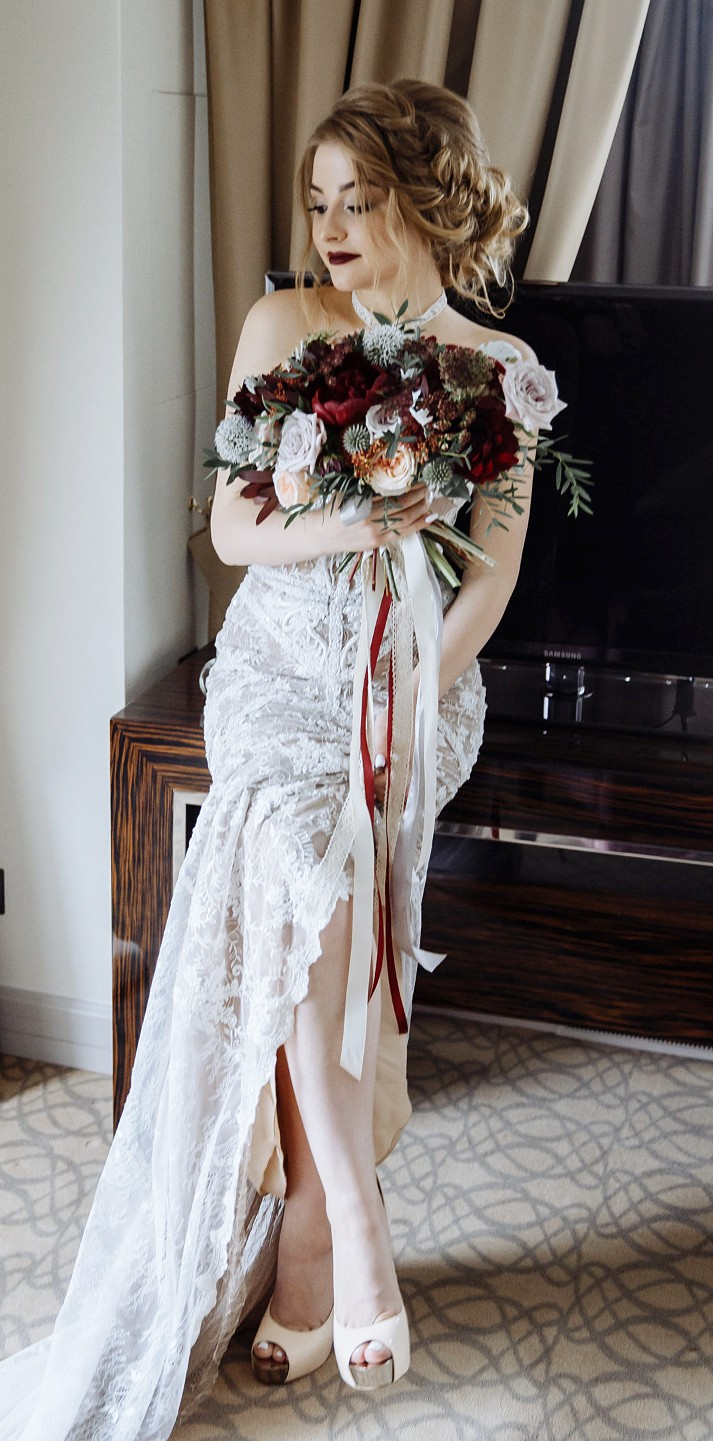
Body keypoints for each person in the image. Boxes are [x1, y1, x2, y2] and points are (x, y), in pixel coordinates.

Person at [0, 79, 534, 1436]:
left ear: (429, 200)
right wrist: (359, 521)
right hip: (279, 672)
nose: (333, 226)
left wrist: (408, 695)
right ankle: (344, 1221)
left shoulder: (498, 370)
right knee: (302, 846)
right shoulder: (286, 326)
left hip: (413, 686)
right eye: (319, 200)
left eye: (362, 198)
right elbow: (238, 531)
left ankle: (314, 1223)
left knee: (327, 864)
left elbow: (489, 579)